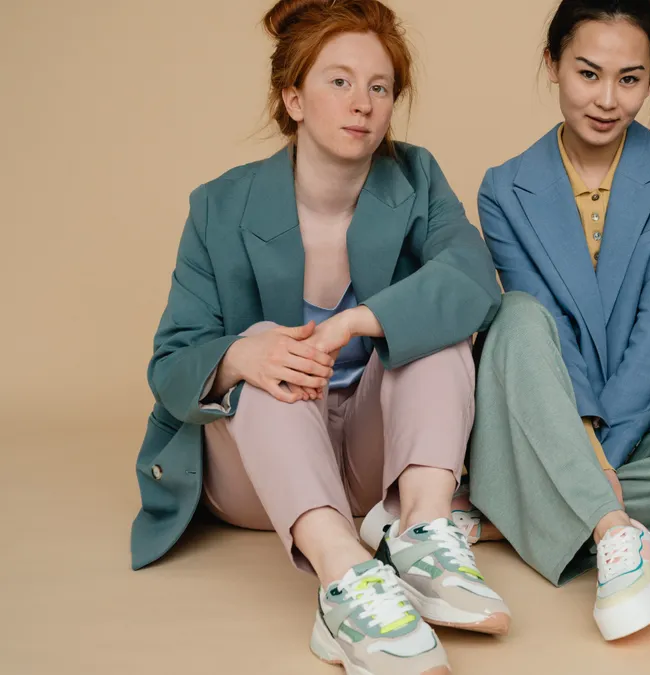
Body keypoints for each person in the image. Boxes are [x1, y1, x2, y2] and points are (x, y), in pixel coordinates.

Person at [128, 2, 510, 673]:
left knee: (433, 326)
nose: (361, 103)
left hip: (369, 463)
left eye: (380, 87)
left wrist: (360, 319)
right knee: (273, 346)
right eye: (338, 82)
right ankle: (345, 581)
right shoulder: (219, 205)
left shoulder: (416, 178)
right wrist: (242, 353)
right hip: (259, 471)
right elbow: (170, 362)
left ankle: (422, 534)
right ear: (293, 97)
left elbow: (473, 279)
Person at [462, 0, 650, 642]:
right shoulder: (503, 187)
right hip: (545, 412)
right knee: (519, 316)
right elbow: (547, 332)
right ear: (552, 65)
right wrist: (581, 447)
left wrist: (596, 465)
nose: (608, 99)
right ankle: (611, 533)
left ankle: (499, 518)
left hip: (648, 415)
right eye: (588, 74)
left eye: (630, 79)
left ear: (649, 79)